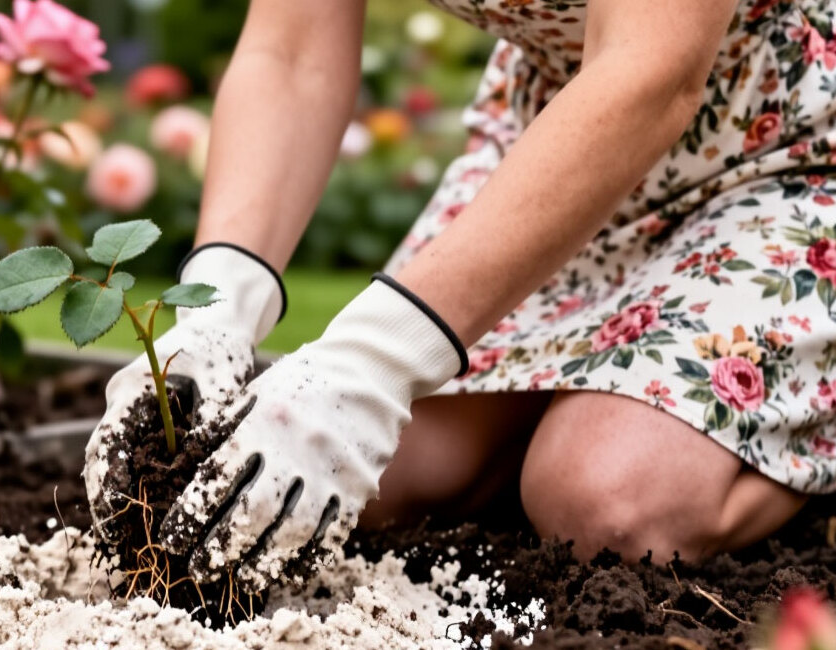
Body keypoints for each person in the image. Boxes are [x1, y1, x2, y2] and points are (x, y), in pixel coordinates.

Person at [86, 0, 836, 588]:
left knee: (606, 506)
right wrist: (218, 306)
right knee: (356, 489)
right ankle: (637, 411)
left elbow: (657, 67)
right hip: (558, 154)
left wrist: (373, 361)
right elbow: (291, 55)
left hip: (790, 147)